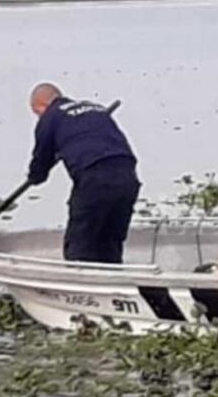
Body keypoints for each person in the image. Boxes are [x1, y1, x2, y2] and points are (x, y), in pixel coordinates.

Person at [26, 83, 141, 264]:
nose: (38, 117)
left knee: (79, 245)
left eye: (36, 113)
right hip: (127, 175)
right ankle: (113, 285)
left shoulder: (51, 117)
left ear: (41, 106)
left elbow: (40, 164)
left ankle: (81, 288)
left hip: (95, 177)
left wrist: (34, 177)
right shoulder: (96, 109)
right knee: (110, 242)